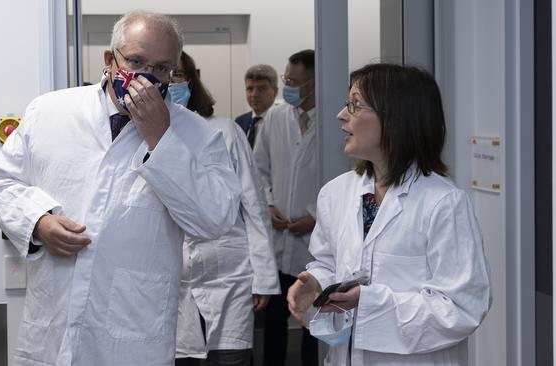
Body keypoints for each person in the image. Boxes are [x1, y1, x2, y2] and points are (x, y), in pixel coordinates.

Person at [0, 10, 242, 366]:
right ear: (109, 60)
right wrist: (37, 221)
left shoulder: (198, 135)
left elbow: (215, 220)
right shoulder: (50, 112)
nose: (147, 79)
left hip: (133, 340)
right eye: (136, 62)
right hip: (51, 330)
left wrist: (161, 140)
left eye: (162, 68)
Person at [287, 63, 492, 365]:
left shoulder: (444, 203)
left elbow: (462, 308)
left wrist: (368, 302)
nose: (341, 115)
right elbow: (329, 262)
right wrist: (317, 283)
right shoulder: (336, 194)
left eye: (355, 106)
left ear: (396, 119)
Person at [169, 51, 280, 366]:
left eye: (177, 74)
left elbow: (254, 206)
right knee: (181, 356)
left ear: (192, 80)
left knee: (230, 356)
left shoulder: (224, 130)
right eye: (164, 74)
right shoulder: (140, 137)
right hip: (170, 275)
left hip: (228, 271)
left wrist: (263, 277)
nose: (170, 82)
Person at [253, 49, 319, 366]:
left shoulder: (335, 120)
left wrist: (317, 216)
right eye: (286, 79)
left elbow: (345, 175)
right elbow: (259, 169)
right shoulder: (275, 118)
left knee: (314, 321)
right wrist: (268, 203)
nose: (288, 85)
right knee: (276, 321)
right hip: (278, 236)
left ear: (314, 83)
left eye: (294, 81)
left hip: (315, 242)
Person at [235, 64, 279, 148]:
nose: (254, 94)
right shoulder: (240, 121)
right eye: (250, 89)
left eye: (261, 88)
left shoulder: (282, 122)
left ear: (275, 92)